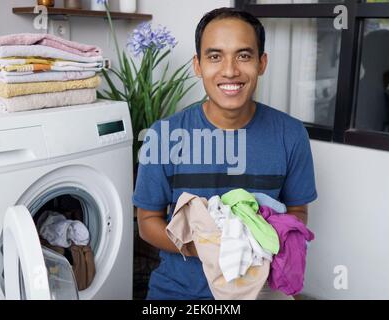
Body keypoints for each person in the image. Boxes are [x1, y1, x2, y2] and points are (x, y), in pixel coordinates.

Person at [132, 7, 317, 300]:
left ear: (262, 63)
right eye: (215, 56)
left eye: (243, 55)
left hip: (260, 291)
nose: (230, 70)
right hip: (179, 294)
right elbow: (147, 222)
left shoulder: (291, 134)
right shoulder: (163, 135)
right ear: (197, 65)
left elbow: (298, 211)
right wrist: (209, 248)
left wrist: (256, 243)